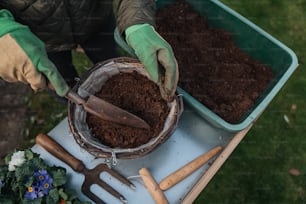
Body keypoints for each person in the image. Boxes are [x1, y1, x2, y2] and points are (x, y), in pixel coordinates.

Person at [0, 0, 178, 102]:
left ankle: (119, 94)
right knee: (61, 81)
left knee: (109, 59)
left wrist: (136, 17)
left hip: (95, 17)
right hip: (37, 39)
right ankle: (74, 103)